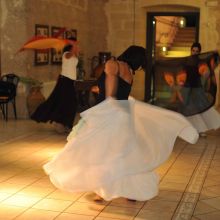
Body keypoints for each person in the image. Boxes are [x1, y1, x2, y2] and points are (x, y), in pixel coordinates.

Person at [43, 45, 198, 202]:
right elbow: (120, 91)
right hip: (125, 116)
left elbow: (111, 91)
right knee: (123, 154)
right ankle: (130, 191)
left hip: (110, 114)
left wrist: (108, 99)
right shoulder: (130, 72)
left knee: (102, 153)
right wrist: (101, 89)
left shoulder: (113, 64)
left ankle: (103, 190)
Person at [31, 38, 79, 132]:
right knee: (65, 102)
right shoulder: (66, 55)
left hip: (68, 82)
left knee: (69, 103)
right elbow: (72, 52)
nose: (77, 48)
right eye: (75, 46)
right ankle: (61, 123)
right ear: (70, 48)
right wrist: (73, 44)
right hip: (65, 81)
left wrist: (74, 45)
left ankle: (64, 124)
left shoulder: (73, 55)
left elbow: (74, 57)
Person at [186, 42, 220, 137]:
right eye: (193, 50)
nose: (195, 52)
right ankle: (194, 130)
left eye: (197, 51)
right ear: (191, 50)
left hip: (197, 89)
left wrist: (214, 53)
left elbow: (213, 64)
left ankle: (201, 130)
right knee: (190, 111)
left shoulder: (201, 62)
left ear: (199, 52)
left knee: (202, 109)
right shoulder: (186, 61)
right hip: (188, 89)